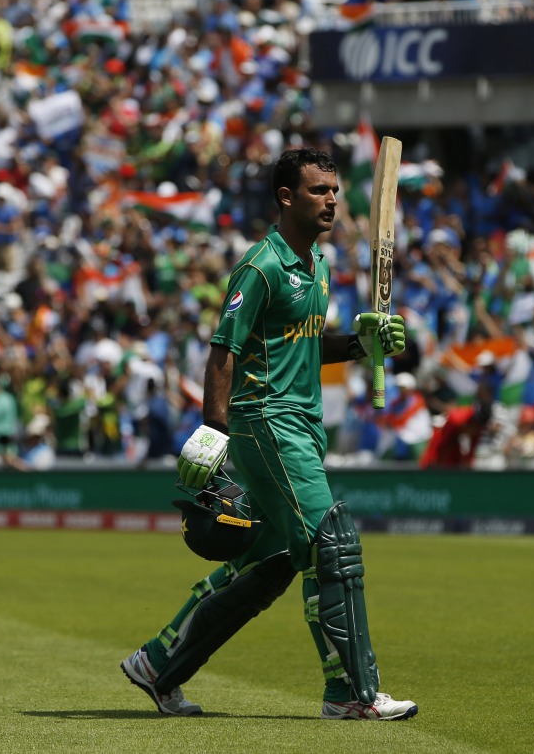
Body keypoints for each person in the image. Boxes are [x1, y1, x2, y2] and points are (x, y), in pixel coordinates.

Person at [121, 148, 417, 721]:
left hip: (302, 423)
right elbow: (223, 349)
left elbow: (308, 346)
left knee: (273, 561)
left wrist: (363, 342)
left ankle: (158, 665)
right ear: (287, 197)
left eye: (334, 189)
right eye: (318, 191)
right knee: (332, 542)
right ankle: (351, 693)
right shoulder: (261, 266)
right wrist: (213, 429)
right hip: (267, 421)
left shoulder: (319, 267)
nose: (332, 199)